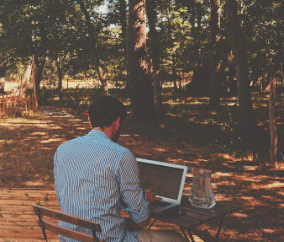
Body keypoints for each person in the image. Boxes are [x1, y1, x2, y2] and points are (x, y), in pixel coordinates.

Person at [53, 95, 186, 242]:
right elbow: (141, 221)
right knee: (177, 238)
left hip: (70, 238)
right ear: (116, 123)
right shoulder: (121, 155)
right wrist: (144, 200)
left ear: (89, 120)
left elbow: (63, 199)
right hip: (109, 239)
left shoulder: (62, 150)